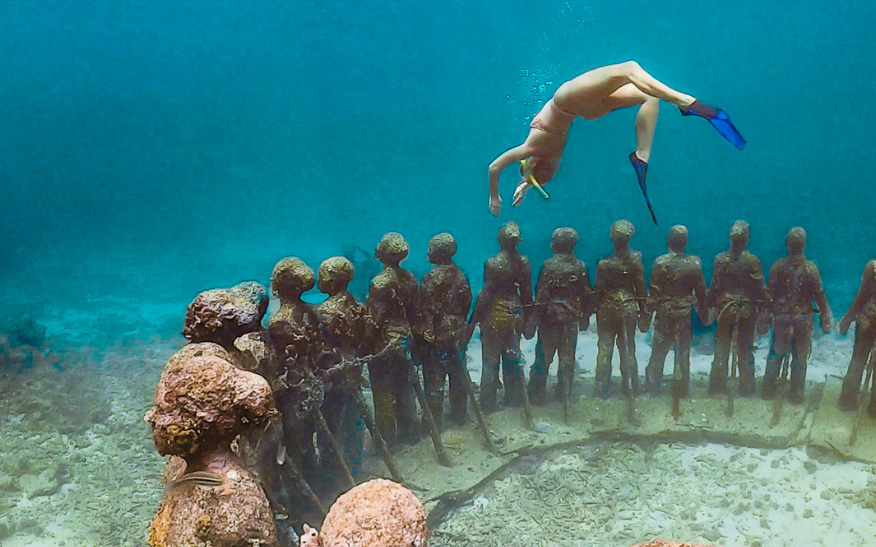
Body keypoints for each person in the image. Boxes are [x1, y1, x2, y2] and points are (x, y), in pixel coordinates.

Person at [487, 61, 745, 222]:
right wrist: (495, 196)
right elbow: (494, 167)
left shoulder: (547, 156)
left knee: (647, 95)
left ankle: (642, 155)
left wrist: (527, 185)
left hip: (583, 110)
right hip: (567, 101)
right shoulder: (533, 149)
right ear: (534, 163)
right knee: (629, 68)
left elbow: (531, 172)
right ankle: (686, 102)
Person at [467, 221, 534, 411]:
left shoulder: (493, 263)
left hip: (495, 317)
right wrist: (528, 319)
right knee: (513, 359)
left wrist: (472, 321)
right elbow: (527, 295)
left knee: (490, 361)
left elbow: (486, 295)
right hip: (515, 315)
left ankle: (488, 404)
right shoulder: (524, 263)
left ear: (499, 240)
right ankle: (513, 400)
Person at [761, 227, 833, 404]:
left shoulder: (777, 267)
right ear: (804, 245)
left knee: (776, 353)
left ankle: (767, 390)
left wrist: (763, 318)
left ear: (787, 244)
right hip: (803, 319)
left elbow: (770, 297)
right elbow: (819, 295)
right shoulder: (811, 269)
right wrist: (826, 316)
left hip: (782, 318)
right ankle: (796, 394)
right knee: (800, 357)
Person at [526, 227, 592, 406]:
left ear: (556, 245)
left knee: (543, 357)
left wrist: (533, 321)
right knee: (567, 358)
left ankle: (537, 394)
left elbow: (541, 296)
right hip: (570, 319)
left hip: (550, 319)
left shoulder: (548, 266)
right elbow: (586, 293)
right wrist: (585, 317)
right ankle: (565, 393)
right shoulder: (579, 266)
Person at [413, 233, 473, 429]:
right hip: (456, 333)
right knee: (458, 376)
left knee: (434, 380)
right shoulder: (461, 274)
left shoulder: (431, 278)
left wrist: (422, 334)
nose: (428, 253)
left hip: (437, 337)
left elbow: (424, 308)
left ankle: (432, 423)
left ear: (439, 253)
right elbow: (467, 301)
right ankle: (459, 415)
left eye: (430, 249)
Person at [643, 225, 709, 397]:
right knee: (683, 352)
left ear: (669, 241)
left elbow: (654, 292)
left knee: (659, 351)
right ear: (685, 242)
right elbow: (701, 292)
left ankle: (652, 386)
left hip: (664, 313)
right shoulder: (694, 264)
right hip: (683, 314)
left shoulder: (660, 262)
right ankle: (681, 389)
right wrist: (704, 314)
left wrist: (646, 315)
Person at [704, 220, 768, 396]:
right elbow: (759, 289)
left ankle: (717, 387)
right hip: (746, 309)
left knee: (722, 348)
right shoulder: (753, 261)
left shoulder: (720, 260)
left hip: (726, 308)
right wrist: (763, 310)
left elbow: (715, 287)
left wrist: (708, 305)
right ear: (746, 239)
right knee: (745, 348)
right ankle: (747, 388)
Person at [592, 219, 649, 397]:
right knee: (628, 349)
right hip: (628, 307)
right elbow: (640, 289)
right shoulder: (636, 261)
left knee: (604, 349)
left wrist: (594, 310)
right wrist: (644, 313)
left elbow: (598, 291)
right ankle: (631, 387)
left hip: (608, 308)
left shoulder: (604, 265)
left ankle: (601, 389)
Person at [837, 260, 876, 414]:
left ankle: (847, 400)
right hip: (868, 321)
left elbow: (862, 296)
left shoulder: (872, 267)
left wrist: (847, 319)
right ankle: (874, 409)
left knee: (858, 360)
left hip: (867, 321)